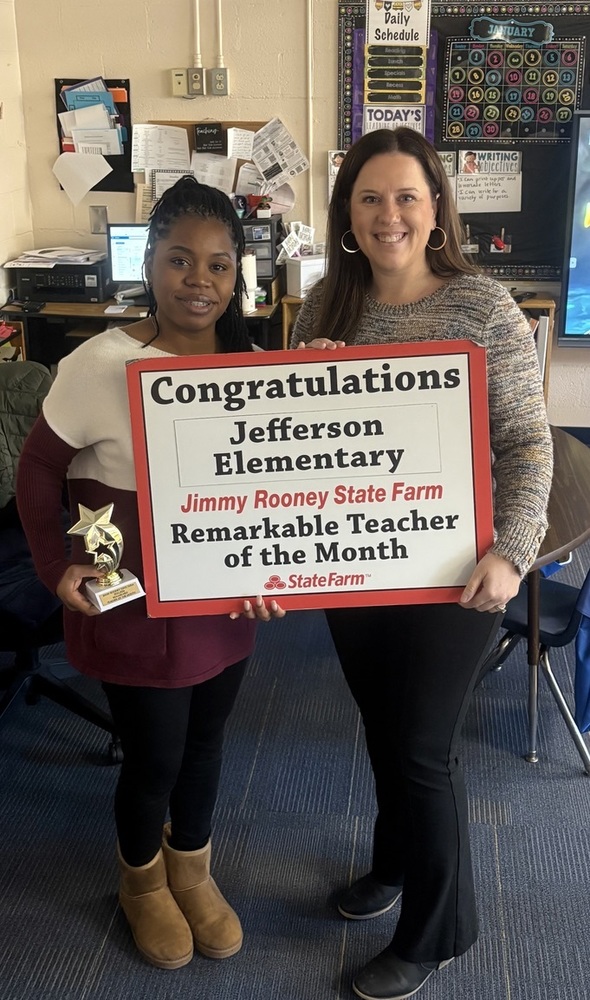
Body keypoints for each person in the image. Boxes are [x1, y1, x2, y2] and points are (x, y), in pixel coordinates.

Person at [291, 127, 552, 1000]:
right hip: (352, 566)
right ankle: (396, 862)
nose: (388, 215)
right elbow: (291, 450)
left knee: (423, 749)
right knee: (382, 727)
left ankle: (441, 930)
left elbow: (526, 445)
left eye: (406, 196)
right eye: (369, 198)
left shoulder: (482, 308)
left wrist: (511, 554)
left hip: (452, 568)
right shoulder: (324, 305)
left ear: (436, 207)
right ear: (346, 214)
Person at [16, 176, 285, 971]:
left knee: (207, 746)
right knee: (155, 757)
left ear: (239, 275)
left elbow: (282, 483)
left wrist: (282, 571)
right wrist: (52, 563)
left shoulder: (254, 366)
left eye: (217, 265)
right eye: (178, 260)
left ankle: (191, 869)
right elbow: (39, 471)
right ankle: (141, 885)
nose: (197, 280)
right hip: (131, 600)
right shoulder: (99, 361)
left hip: (221, 600)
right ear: (150, 261)